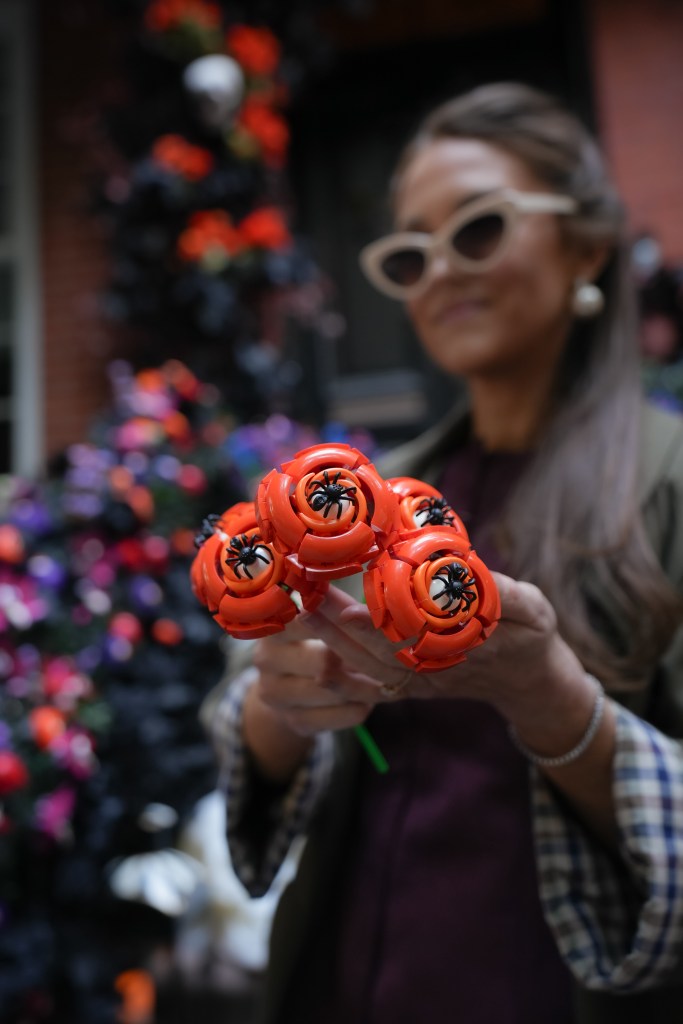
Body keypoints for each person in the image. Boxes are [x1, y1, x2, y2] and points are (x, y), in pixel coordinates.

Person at [208, 83, 683, 1023]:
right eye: (407, 252)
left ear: (585, 243)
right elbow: (259, 710)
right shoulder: (369, 490)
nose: (435, 272)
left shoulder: (667, 483)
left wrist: (549, 698)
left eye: (475, 230)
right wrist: (279, 703)